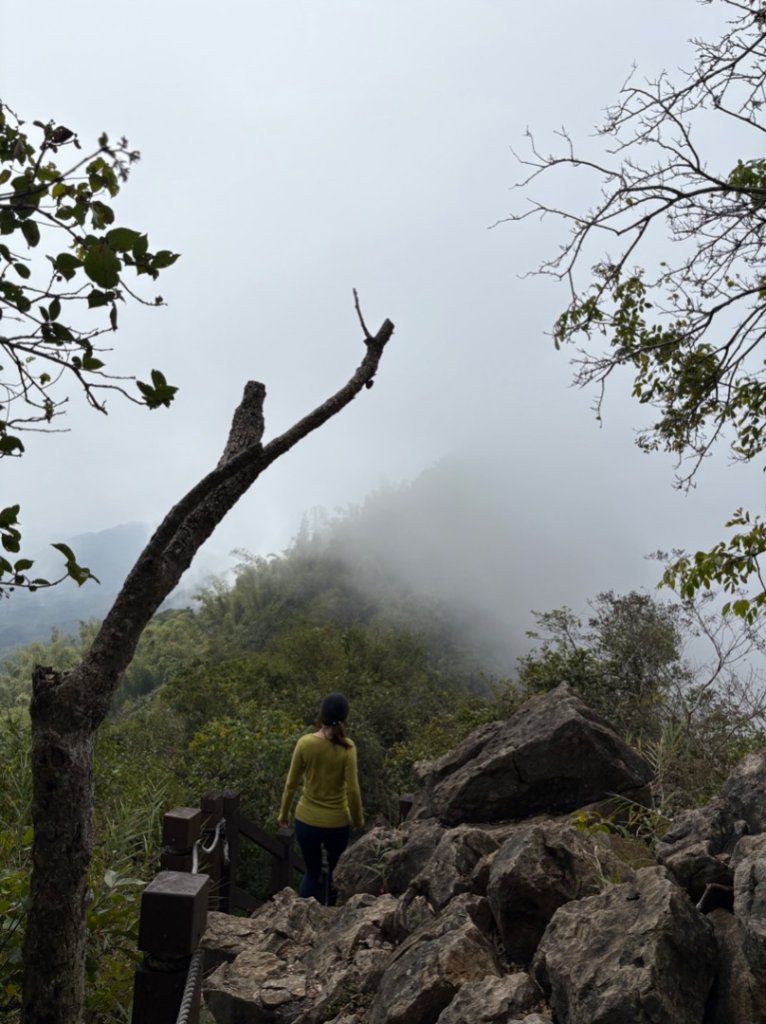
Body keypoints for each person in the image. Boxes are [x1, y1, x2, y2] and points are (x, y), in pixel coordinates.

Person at [278, 692, 364, 905]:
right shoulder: (348, 748)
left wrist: (284, 813)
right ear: (344, 718)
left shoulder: (305, 743)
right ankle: (329, 917)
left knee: (311, 871)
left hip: (306, 820)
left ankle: (300, 916)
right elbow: (353, 791)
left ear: (321, 716)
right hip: (337, 822)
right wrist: (358, 820)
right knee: (335, 873)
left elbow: (291, 783)